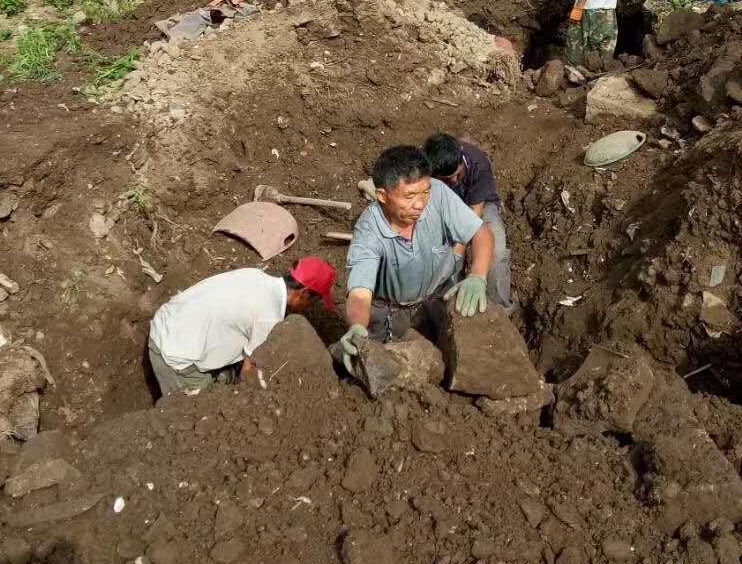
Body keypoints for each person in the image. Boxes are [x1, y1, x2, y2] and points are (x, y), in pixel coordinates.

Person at [339, 145, 494, 365]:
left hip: (438, 296)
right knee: (367, 364)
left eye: (425, 191)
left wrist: (478, 275)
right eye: (409, 196)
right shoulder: (369, 231)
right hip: (392, 313)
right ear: (382, 195)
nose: (420, 203)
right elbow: (360, 293)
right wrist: (356, 325)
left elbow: (480, 231)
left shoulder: (438, 192)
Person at [148, 257, 338, 397]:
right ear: (304, 294)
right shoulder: (268, 316)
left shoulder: (255, 275)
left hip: (168, 321)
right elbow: (248, 372)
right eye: (313, 302)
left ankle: (218, 377)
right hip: (174, 353)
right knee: (203, 415)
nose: (309, 309)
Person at [423, 132, 512, 308]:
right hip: (444, 211)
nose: (455, 180)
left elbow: (473, 217)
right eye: (448, 180)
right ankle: (447, 306)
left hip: (480, 207)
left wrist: (459, 252)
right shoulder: (423, 171)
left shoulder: (479, 163)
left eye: (458, 174)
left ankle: (501, 308)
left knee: (497, 250)